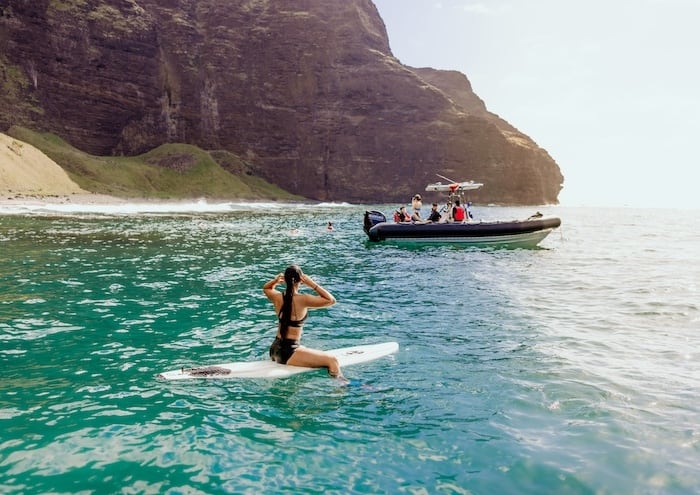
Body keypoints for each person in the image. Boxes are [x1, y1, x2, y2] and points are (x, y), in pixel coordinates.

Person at [263, 264, 346, 381]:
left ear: (285, 280)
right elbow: (331, 300)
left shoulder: (277, 297)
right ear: (301, 280)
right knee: (332, 360)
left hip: (275, 349)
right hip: (288, 352)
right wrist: (312, 284)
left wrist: (275, 281)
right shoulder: (304, 299)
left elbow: (266, 288)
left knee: (304, 348)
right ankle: (342, 387)